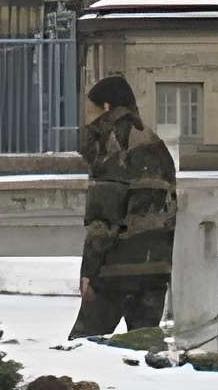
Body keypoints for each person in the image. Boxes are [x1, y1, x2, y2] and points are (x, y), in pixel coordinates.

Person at [74, 74, 177, 340]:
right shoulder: (154, 142)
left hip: (115, 269)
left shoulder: (112, 144)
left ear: (106, 107)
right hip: (155, 267)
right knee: (145, 351)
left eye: (91, 108)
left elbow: (104, 219)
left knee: (83, 348)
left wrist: (89, 273)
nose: (86, 116)